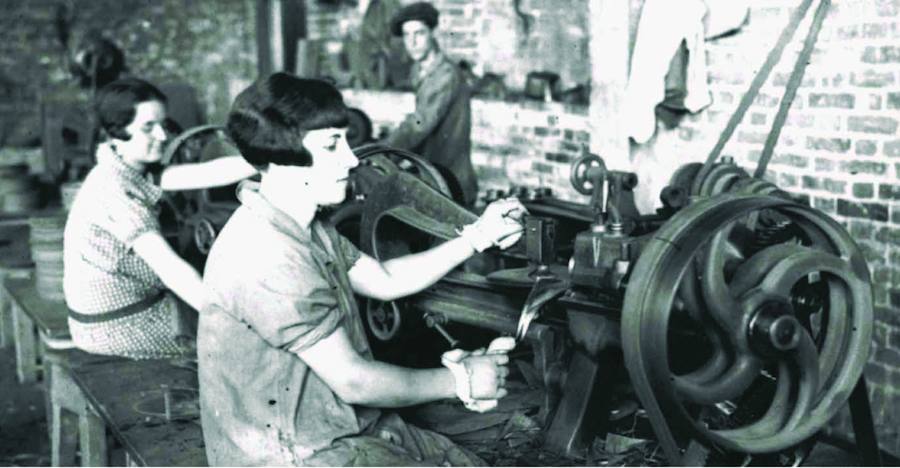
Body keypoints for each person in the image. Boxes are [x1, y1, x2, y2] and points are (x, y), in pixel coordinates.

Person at [198, 72, 526, 466]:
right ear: (281, 156)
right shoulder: (268, 254)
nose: (352, 159)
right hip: (294, 453)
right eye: (332, 144)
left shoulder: (306, 226)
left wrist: (478, 235)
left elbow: (384, 280)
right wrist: (461, 380)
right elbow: (354, 380)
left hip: (341, 426)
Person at [63, 77, 257, 360]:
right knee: (246, 349)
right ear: (117, 131)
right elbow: (172, 270)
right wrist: (234, 323)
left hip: (135, 307)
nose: (163, 136)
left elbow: (205, 173)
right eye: (148, 128)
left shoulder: (127, 167)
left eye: (162, 124)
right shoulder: (114, 189)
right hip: (119, 325)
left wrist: (267, 161)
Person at [385, 2, 477, 207]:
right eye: (407, 35)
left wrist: (382, 153)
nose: (413, 42)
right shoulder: (419, 70)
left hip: (451, 184)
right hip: (434, 178)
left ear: (432, 33)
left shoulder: (444, 75)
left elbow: (419, 125)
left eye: (419, 33)